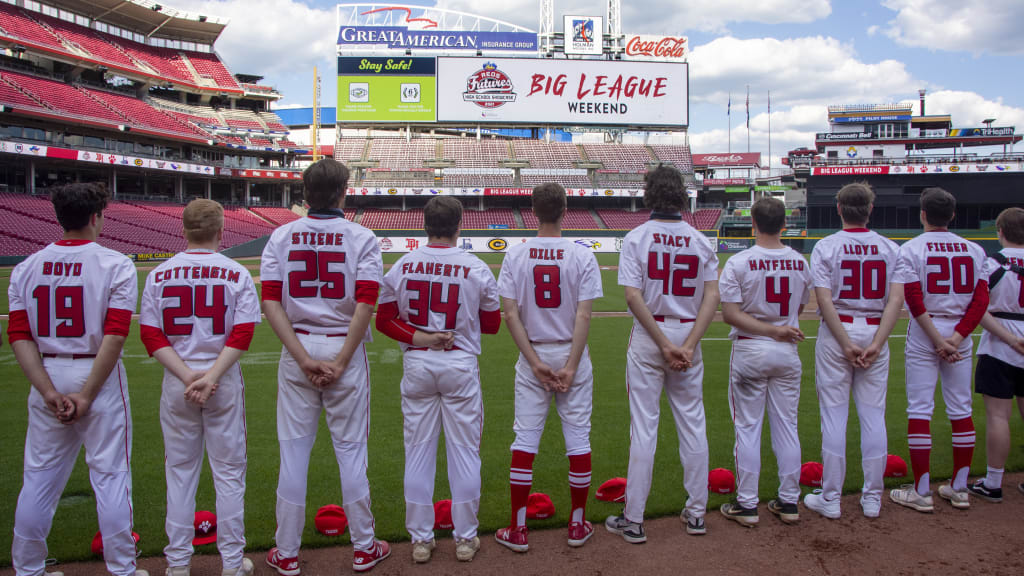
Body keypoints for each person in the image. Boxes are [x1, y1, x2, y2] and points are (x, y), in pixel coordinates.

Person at [8, 183, 146, 576]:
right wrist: (86, 394)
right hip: (95, 372)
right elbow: (116, 335)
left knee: (38, 477)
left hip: (47, 369)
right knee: (111, 475)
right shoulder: (115, 264)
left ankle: (29, 568)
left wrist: (49, 391)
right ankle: (122, 568)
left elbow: (19, 335)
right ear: (95, 216)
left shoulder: (26, 267)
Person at [260, 159, 390, 574]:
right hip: (342, 350)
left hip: (298, 345)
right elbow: (366, 303)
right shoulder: (362, 237)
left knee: (294, 453)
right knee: (351, 452)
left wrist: (302, 358)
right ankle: (364, 546)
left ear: (304, 192)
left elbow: (270, 303)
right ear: (343, 192)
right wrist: (340, 361)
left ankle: (287, 552)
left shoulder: (281, 236)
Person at [376, 196, 501, 564]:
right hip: (458, 362)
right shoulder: (475, 265)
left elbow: (384, 320)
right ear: (459, 225)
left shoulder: (404, 263)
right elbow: (492, 325)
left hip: (418, 363)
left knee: (418, 452)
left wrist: (421, 337)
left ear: (425, 225)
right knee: (464, 453)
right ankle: (464, 539)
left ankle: (421, 540)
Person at [139, 199, 261, 576]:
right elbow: (242, 334)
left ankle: (177, 564)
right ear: (221, 232)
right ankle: (230, 563)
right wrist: (210, 377)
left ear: (183, 230)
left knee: (179, 473)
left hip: (179, 382)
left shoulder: (159, 274)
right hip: (221, 380)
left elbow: (150, 334)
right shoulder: (237, 273)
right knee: (228, 474)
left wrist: (188, 376)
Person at [605, 165, 719, 543]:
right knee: (693, 424)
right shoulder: (701, 242)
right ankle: (697, 513)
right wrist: (687, 344)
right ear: (682, 196)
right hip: (688, 333)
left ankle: (634, 519)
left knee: (644, 426)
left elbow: (633, 297)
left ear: (650, 194)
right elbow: (712, 298)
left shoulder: (636, 237)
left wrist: (663, 343)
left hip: (650, 336)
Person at [493, 183, 602, 552]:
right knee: (578, 438)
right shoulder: (581, 255)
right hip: (571, 355)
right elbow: (585, 314)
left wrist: (536, 363)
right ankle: (576, 523)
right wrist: (570, 366)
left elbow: (510, 314)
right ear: (565, 209)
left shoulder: (516, 255)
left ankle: (518, 528)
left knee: (525, 438)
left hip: (533, 354)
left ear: (533, 211)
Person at [803, 182, 903, 519]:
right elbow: (895, 302)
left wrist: (845, 342)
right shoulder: (891, 248)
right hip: (876, 328)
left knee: (834, 415)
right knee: (873, 415)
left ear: (839, 208)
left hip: (838, 330)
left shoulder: (826, 247)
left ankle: (831, 498)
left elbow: (824, 299)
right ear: (870, 209)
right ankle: (872, 498)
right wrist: (876, 343)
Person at [889, 187, 988, 512]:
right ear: (953, 215)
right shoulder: (975, 250)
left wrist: (937, 339)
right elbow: (981, 301)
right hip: (960, 328)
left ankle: (922, 491)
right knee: (961, 408)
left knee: (920, 408)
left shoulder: (911, 249)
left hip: (925, 330)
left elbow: (914, 299)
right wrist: (957, 338)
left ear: (922, 214)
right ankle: (959, 488)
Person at [719, 196, 811, 527]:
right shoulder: (800, 262)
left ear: (753, 224)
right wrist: (779, 328)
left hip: (750, 349)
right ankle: (788, 501)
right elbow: (800, 308)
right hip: (787, 349)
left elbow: (730, 314)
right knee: (787, 427)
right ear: (784, 224)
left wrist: (769, 330)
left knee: (747, 428)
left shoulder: (739, 263)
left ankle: (747, 504)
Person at [966, 207, 1024, 503]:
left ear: (999, 231)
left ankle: (993, 482)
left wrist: (1011, 339)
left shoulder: (991, 265)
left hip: (1000, 347)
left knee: (999, 416)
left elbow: (979, 311)